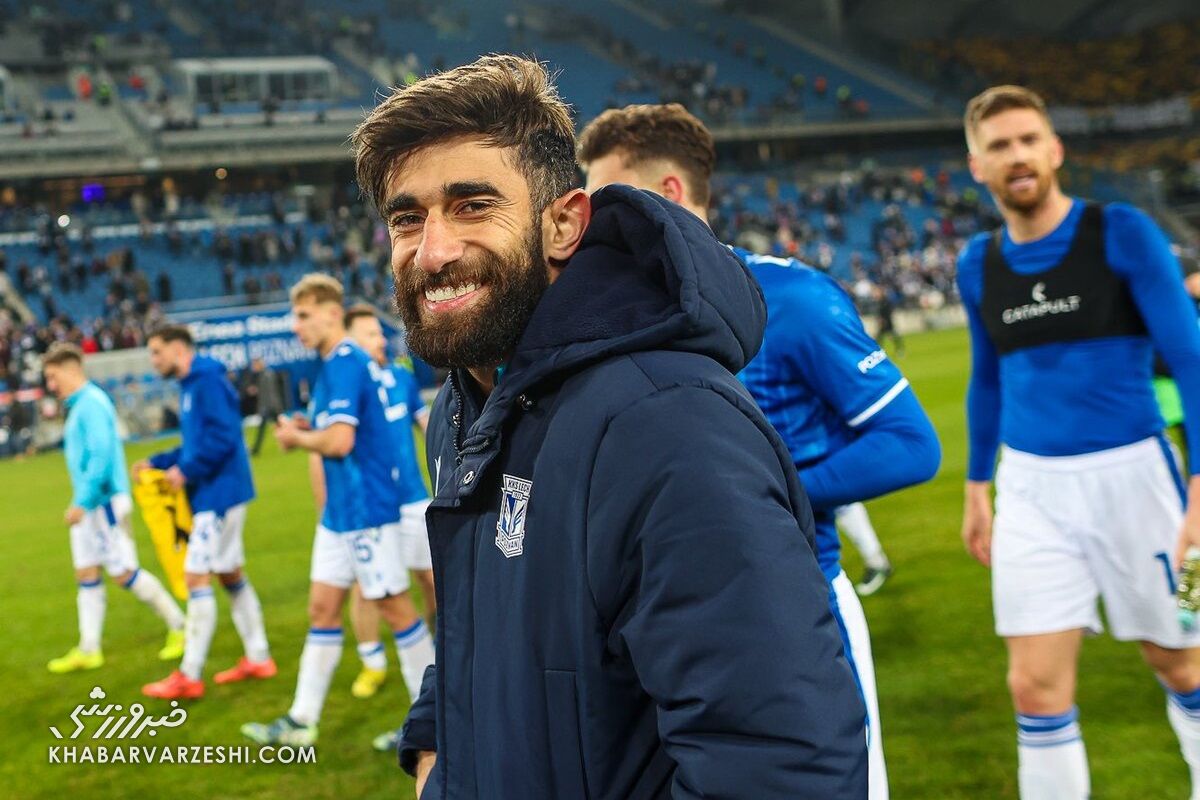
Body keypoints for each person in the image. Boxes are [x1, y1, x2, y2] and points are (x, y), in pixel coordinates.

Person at [352, 55, 868, 798]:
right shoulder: (464, 407)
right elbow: (484, 630)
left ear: (564, 223)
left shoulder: (669, 423)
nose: (433, 251)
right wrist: (435, 753)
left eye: (472, 206)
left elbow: (779, 766)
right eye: (409, 218)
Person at [577, 101, 941, 800]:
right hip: (648, 629)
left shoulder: (790, 299)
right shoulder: (604, 318)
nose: (588, 222)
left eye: (605, 199)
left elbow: (910, 445)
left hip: (798, 611)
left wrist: (762, 495)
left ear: (668, 195)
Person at [956, 85, 1200, 800]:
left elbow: (1189, 358)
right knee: (1033, 688)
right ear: (977, 165)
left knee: (1183, 664)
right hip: (1030, 490)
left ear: (1055, 149)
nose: (1018, 156)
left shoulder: (1119, 231)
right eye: (999, 146)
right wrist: (978, 484)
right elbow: (986, 378)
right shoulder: (978, 262)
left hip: (1141, 482)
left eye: (1029, 139)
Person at [241, 274, 434, 747]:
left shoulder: (347, 361)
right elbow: (338, 428)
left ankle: (432, 723)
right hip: (340, 516)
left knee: (396, 607)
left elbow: (341, 440)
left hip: (367, 511)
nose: (296, 326)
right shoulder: (331, 366)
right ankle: (302, 720)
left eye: (303, 315)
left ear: (331, 312)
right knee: (322, 609)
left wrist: (297, 438)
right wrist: (312, 426)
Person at [137, 325, 275, 699]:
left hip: (218, 494)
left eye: (156, 352)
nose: (154, 361)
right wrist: (160, 461)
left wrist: (186, 470)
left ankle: (189, 674)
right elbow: (198, 441)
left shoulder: (206, 380)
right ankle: (259, 656)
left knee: (196, 577)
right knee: (229, 574)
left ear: (178, 349)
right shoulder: (192, 383)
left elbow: (223, 438)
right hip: (221, 491)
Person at [41, 343, 185, 673]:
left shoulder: (91, 404)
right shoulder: (80, 405)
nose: (51, 385)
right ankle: (89, 648)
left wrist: (83, 502)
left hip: (102, 501)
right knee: (86, 572)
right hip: (91, 502)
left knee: (123, 573)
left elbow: (102, 458)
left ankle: (181, 626)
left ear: (72, 369)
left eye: (53, 376)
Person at [344, 303, 436, 750]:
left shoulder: (400, 378)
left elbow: (427, 425)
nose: (378, 342)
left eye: (378, 335)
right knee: (373, 591)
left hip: (415, 499)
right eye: (367, 336)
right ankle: (372, 662)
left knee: (432, 582)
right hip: (375, 509)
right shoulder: (347, 385)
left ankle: (438, 661)